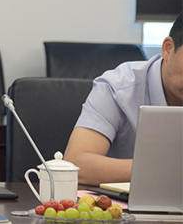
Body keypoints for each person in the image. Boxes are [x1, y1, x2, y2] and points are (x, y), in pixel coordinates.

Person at [64, 10, 183, 185]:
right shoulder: (118, 88)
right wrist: (167, 171)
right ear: (168, 49)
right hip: (123, 201)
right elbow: (77, 164)